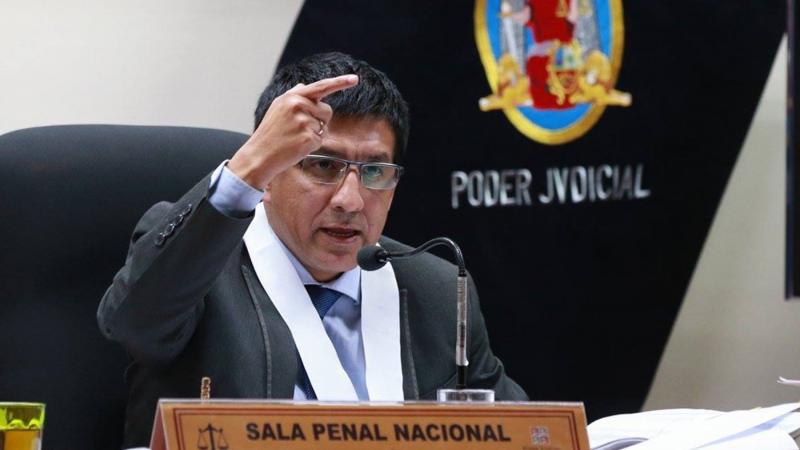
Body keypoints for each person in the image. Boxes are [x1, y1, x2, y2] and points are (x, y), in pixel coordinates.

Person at [97, 52, 527, 448]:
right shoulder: (199, 270)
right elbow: (134, 324)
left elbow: (521, 431)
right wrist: (246, 170)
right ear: (270, 170)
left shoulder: (436, 290)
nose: (350, 201)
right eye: (323, 165)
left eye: (375, 171)